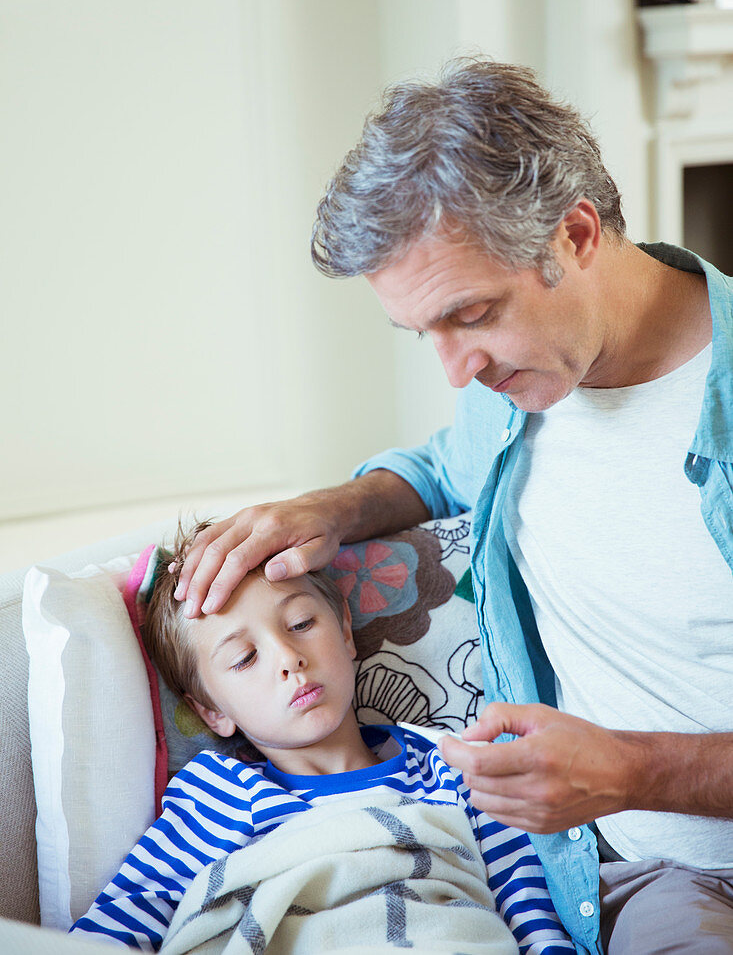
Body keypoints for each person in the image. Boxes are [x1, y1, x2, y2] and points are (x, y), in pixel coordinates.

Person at [173, 60, 733, 955]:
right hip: (619, 880)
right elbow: (443, 467)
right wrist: (337, 507)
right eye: (421, 333)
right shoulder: (518, 384)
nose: (454, 370)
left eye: (471, 313)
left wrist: (632, 769)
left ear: (577, 233)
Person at [70, 521, 573, 954]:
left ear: (347, 632)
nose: (289, 658)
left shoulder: (455, 765)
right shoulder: (220, 794)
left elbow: (528, 906)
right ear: (211, 712)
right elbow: (119, 925)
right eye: (245, 658)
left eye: (301, 623)